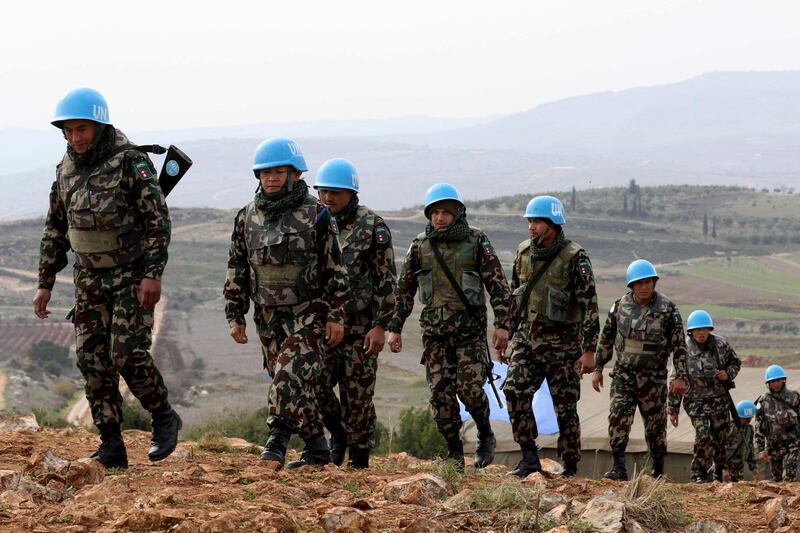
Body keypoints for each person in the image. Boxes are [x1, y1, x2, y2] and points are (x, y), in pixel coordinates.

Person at [33, 87, 181, 468]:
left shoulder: (130, 162)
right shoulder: (65, 169)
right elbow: (55, 228)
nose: (75, 138)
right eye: (67, 131)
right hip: (89, 280)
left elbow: (157, 222)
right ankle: (111, 444)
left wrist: (153, 274)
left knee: (127, 353)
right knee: (91, 358)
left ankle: (163, 415)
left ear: (99, 125)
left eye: (81, 129)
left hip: (132, 276)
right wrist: (45, 282)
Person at [223, 137, 349, 469]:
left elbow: (335, 269)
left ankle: (275, 442)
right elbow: (237, 266)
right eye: (265, 172)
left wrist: (336, 316)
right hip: (267, 317)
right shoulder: (246, 217)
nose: (272, 178)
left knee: (289, 376)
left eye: (279, 171)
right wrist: (235, 314)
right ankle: (318, 450)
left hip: (308, 314)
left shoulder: (317, 215)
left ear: (294, 174)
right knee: (297, 385)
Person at [387, 183, 510, 470]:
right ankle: (454, 451)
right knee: (440, 395)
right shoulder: (420, 246)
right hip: (435, 337)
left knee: (469, 390)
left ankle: (485, 433)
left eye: (446, 212)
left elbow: (498, 286)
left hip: (469, 335)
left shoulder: (477, 241)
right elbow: (403, 290)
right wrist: (395, 328)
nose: (440, 218)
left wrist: (502, 325)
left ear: (458, 214)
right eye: (435, 213)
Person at [502, 196, 599, 478]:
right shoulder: (523, 253)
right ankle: (529, 457)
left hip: (564, 345)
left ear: (553, 223)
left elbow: (589, 307)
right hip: (526, 340)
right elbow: (514, 298)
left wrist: (589, 350)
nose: (531, 227)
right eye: (530, 221)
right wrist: (507, 334)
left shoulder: (575, 257)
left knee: (565, 408)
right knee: (514, 391)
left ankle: (570, 466)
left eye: (537, 221)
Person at [310, 158, 396, 469]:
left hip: (360, 329)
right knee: (313, 384)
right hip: (321, 326)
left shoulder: (372, 226)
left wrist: (380, 326)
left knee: (357, 398)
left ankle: (359, 461)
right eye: (323, 192)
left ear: (351, 193)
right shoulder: (313, 222)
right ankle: (338, 436)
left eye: (335, 192)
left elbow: (387, 282)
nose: (328, 198)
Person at [592, 259, 688, 480]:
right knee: (618, 417)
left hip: (653, 379)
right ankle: (618, 467)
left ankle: (657, 470)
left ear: (654, 283)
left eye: (648, 282)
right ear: (631, 286)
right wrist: (598, 368)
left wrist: (679, 376)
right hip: (623, 376)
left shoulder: (668, 309)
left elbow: (680, 347)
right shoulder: (619, 307)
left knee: (655, 428)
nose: (644, 287)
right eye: (639, 284)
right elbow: (605, 339)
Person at [667, 310, 741, 483]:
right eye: (697, 330)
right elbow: (676, 382)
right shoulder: (682, 350)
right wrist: (673, 410)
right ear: (691, 332)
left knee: (720, 438)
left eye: (704, 329)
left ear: (709, 329)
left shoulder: (721, 345)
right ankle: (697, 473)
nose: (701, 333)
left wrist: (728, 374)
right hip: (695, 402)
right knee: (703, 436)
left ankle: (718, 472)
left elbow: (735, 362)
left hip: (719, 401)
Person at [754, 364, 800, 481]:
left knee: (788, 475)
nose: (776, 383)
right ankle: (780, 499)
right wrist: (761, 449)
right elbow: (759, 427)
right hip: (773, 445)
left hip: (792, 442)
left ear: (783, 380)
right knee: (777, 478)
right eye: (773, 381)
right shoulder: (763, 401)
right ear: (768, 383)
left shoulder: (794, 397)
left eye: (778, 380)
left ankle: (788, 498)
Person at [724, 400, 759, 482]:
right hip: (727, 467)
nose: (750, 420)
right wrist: (723, 468)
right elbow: (720, 449)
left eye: (750, 418)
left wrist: (753, 467)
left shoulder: (749, 429)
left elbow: (749, 447)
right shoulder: (729, 428)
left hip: (739, 468)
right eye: (747, 418)